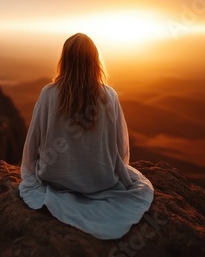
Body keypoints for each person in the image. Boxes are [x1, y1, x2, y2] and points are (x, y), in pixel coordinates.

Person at [18, 33, 154, 240]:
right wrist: (115, 168)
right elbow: (121, 147)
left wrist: (31, 169)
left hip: (55, 179)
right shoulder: (109, 95)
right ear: (94, 61)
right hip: (102, 180)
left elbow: (33, 141)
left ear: (65, 60)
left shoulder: (48, 94)